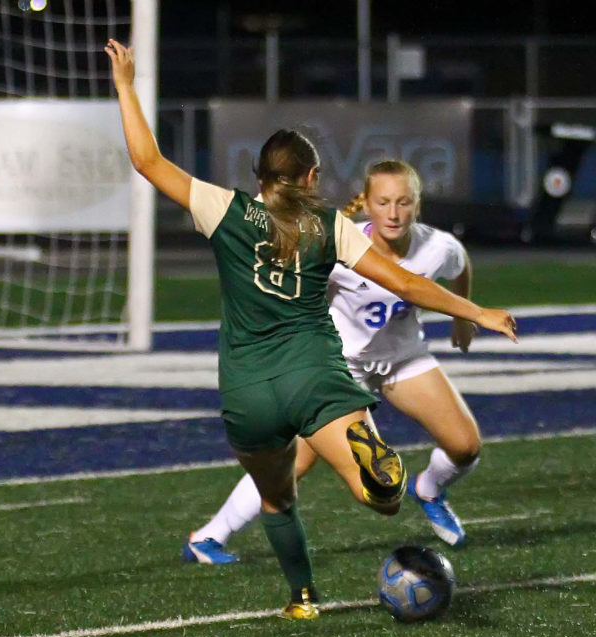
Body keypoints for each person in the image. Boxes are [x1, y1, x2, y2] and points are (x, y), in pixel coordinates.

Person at [104, 39, 517, 619]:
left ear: (259, 173)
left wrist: (125, 84)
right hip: (314, 375)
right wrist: (476, 314)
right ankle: (380, 479)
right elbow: (405, 284)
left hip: (247, 389)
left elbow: (147, 160)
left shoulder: (223, 209)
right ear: (312, 175)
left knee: (278, 495)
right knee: (379, 497)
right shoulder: (334, 227)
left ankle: (301, 597)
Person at [183, 160, 485, 569]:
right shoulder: (338, 245)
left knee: (465, 447)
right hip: (343, 369)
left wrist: (462, 317)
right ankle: (209, 537)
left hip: (404, 360)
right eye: (383, 202)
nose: (393, 213)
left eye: (403, 202)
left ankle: (429, 489)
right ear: (368, 205)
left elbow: (460, 264)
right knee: (294, 462)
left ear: (417, 205)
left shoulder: (437, 246)